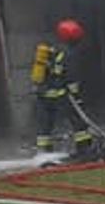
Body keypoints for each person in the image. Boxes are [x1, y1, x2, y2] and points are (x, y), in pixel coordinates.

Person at [32, 19, 95, 158]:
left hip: (43, 94)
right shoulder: (69, 53)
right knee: (78, 121)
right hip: (61, 94)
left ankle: (44, 152)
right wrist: (76, 96)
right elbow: (71, 76)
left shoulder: (50, 50)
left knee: (45, 124)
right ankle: (84, 149)